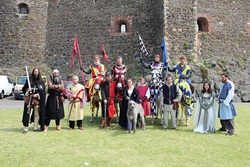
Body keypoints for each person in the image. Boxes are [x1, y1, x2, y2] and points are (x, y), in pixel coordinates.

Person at [22, 68, 46, 134]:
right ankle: (26, 127)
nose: (36, 73)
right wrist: (28, 90)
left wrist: (37, 95)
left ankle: (35, 127)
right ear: (33, 72)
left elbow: (43, 91)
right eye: (35, 71)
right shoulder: (29, 80)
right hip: (30, 99)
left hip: (38, 100)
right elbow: (24, 89)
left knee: (36, 114)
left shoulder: (41, 81)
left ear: (39, 72)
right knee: (28, 113)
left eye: (37, 71)